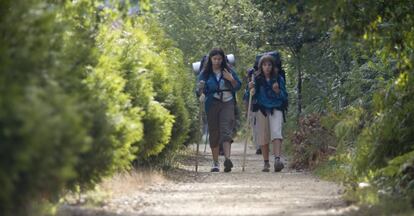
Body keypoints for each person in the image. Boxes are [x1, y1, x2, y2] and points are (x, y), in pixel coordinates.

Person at [197, 48, 241, 172]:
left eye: (219, 59)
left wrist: (231, 79)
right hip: (212, 103)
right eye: (214, 59)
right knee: (214, 132)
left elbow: (238, 85)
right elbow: (199, 88)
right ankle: (215, 162)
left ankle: (227, 159)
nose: (217, 61)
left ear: (223, 59)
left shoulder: (229, 71)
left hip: (227, 102)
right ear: (210, 59)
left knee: (226, 130)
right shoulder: (205, 73)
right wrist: (200, 92)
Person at [249, 55, 288, 172]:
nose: (267, 67)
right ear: (261, 66)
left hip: (276, 107)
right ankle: (266, 163)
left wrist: (278, 91)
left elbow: (284, 96)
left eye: (269, 65)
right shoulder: (256, 78)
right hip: (262, 109)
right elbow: (251, 95)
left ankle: (277, 160)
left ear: (273, 66)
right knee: (263, 136)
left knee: (276, 133)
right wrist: (250, 88)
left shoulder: (278, 78)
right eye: (264, 65)